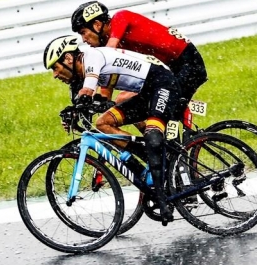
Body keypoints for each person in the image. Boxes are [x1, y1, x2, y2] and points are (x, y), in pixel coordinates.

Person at [43, 35, 180, 224]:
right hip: (146, 91)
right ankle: (150, 158)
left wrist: (79, 104)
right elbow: (82, 101)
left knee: (153, 134)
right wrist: (73, 116)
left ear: (68, 59)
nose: (55, 75)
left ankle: (164, 201)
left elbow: (88, 91)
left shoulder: (92, 56)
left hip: (162, 82)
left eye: (55, 68)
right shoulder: (77, 75)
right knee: (103, 123)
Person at [70, 1, 207, 127]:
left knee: (163, 107)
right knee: (123, 101)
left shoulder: (120, 18)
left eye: (83, 32)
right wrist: (94, 105)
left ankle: (176, 144)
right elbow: (107, 86)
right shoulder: (109, 44)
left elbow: (108, 54)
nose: (83, 39)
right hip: (171, 68)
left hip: (189, 62)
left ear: (97, 25)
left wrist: (90, 90)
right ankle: (151, 145)